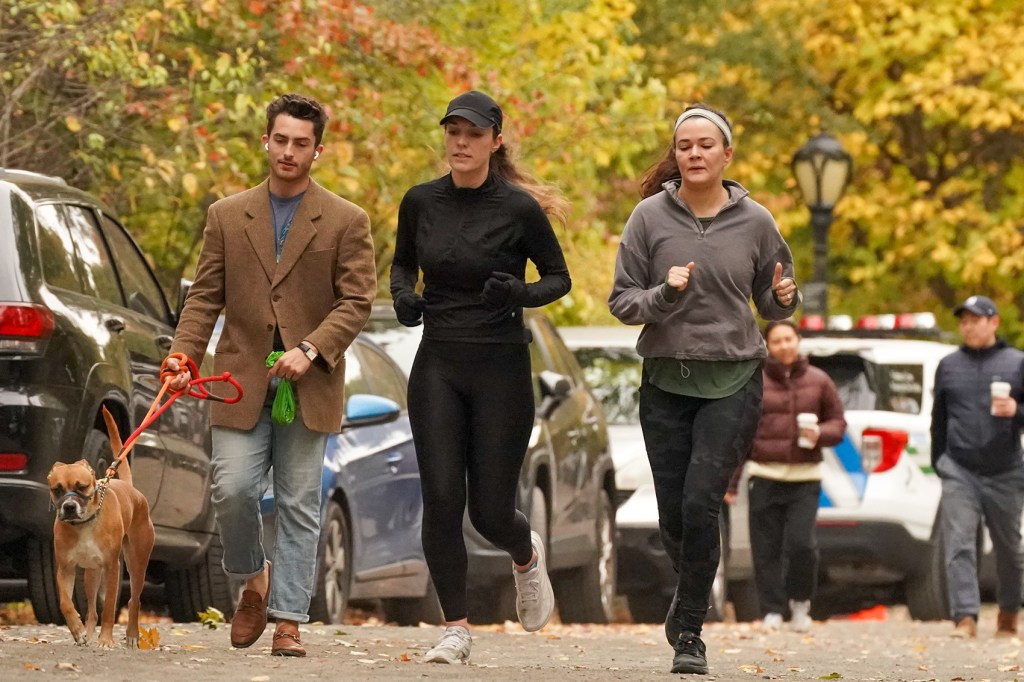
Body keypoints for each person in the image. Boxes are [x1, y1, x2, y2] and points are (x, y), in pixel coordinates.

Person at [163, 93, 376, 656]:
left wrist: (311, 348)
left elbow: (356, 302)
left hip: (309, 383)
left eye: (300, 143)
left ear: (318, 150)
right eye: (280, 139)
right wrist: (182, 356)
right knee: (232, 490)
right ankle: (252, 581)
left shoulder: (347, 220)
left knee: (300, 502)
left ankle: (288, 619)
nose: (288, 151)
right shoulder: (227, 215)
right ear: (265, 141)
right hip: (240, 380)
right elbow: (204, 297)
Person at [608, 103, 799, 675]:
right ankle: (690, 595)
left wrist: (784, 300)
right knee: (673, 513)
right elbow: (622, 302)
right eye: (685, 145)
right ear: (677, 154)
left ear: (726, 155)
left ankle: (689, 627)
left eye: (706, 145)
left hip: (733, 378)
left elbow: (772, 301)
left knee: (700, 502)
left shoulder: (758, 222)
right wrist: (662, 295)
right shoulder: (648, 217)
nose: (694, 153)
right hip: (665, 379)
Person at [390, 90, 571, 664]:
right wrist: (402, 295)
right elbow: (400, 263)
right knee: (442, 497)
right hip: (438, 361)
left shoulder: (518, 209)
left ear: (495, 140)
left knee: (489, 511)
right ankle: (456, 629)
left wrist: (519, 292)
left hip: (500, 366)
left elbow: (559, 278)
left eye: (472, 134)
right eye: (452, 132)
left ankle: (524, 554)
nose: (460, 143)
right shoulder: (420, 201)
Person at [725, 319, 846, 632]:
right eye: (776, 341)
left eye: (788, 339)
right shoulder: (755, 381)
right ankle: (772, 610)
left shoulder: (820, 380)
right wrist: (731, 481)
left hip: (805, 478)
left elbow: (838, 423)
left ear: (798, 340)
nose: (783, 346)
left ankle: (801, 603)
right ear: (768, 346)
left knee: (802, 544)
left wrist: (820, 432)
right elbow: (742, 433)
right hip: (764, 475)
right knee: (766, 548)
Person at [931, 295, 1024, 639]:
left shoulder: (1017, 363)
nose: (968, 326)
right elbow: (938, 418)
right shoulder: (949, 365)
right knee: (959, 543)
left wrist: (1016, 409)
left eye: (975, 319)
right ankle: (965, 617)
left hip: (1005, 469)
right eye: (964, 320)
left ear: (994, 322)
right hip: (960, 468)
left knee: (1010, 549)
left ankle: (1009, 611)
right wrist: (940, 460)